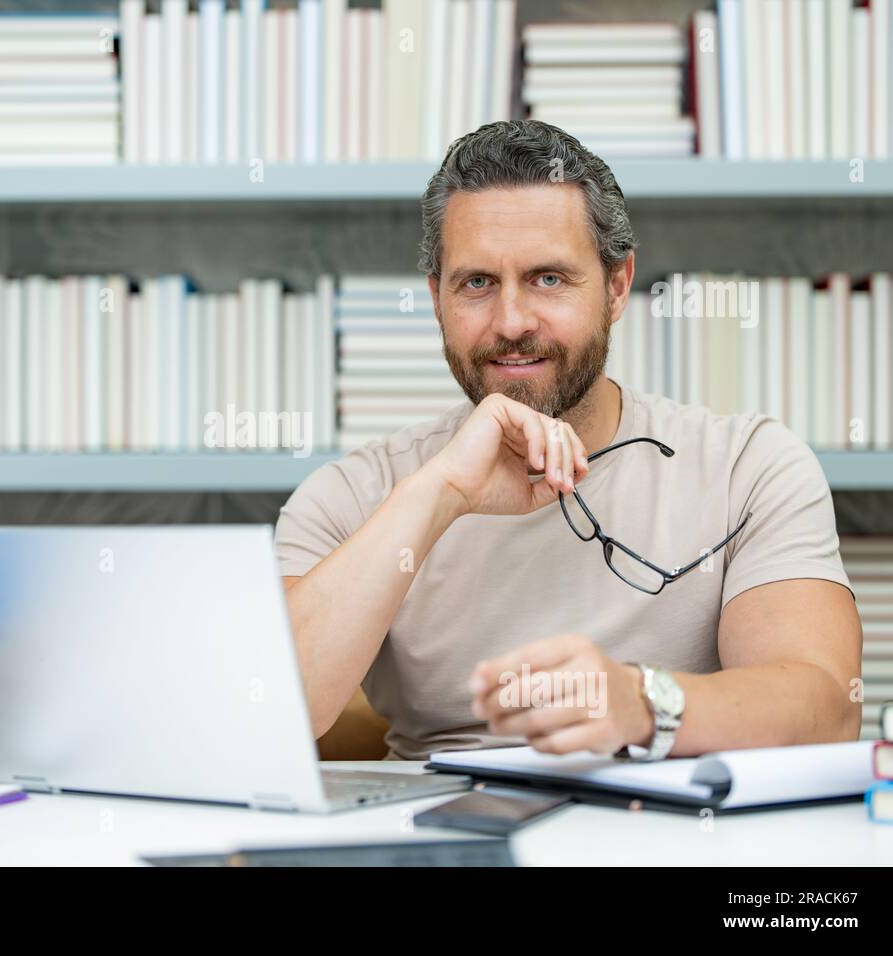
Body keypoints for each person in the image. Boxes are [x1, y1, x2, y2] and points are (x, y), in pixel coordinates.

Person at [276, 120, 862, 762]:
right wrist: (437, 494)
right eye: (476, 284)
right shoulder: (350, 496)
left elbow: (825, 710)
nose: (511, 322)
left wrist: (640, 704)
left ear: (616, 287)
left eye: (548, 279)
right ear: (436, 300)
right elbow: (270, 708)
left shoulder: (749, 467)